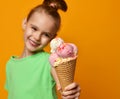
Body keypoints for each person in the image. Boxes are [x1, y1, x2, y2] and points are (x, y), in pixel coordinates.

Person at [5, 0, 80, 99]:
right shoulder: (10, 65)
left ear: (52, 38)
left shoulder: (50, 62)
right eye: (34, 28)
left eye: (46, 34)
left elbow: (65, 90)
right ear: (24, 23)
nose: (37, 37)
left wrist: (71, 92)